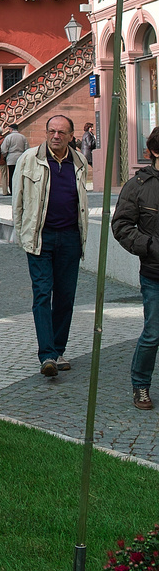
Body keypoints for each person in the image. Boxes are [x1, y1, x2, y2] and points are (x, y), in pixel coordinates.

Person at [12, 114, 89, 377]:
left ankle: (58, 350)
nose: (55, 136)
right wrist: (23, 234)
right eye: (51, 131)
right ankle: (46, 355)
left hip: (69, 238)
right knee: (43, 294)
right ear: (46, 133)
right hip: (40, 238)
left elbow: (81, 203)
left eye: (61, 132)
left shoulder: (79, 161)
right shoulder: (29, 160)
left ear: (70, 136)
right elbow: (18, 201)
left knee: (66, 296)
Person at [111, 125, 159, 410]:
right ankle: (140, 385)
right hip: (155, 273)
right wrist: (151, 246)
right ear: (155, 151)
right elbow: (121, 226)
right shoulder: (138, 186)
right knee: (153, 333)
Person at [2, 124, 28, 192]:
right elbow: (27, 148)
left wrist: (5, 156)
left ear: (11, 129)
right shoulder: (23, 137)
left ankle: (12, 190)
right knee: (20, 175)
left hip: (11, 158)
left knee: (12, 175)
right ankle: (20, 189)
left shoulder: (8, 137)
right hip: (21, 157)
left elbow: (4, 149)